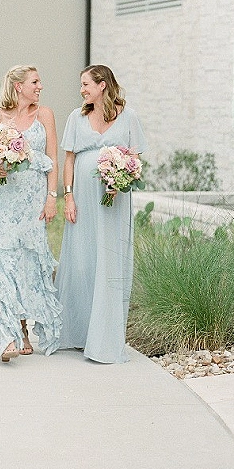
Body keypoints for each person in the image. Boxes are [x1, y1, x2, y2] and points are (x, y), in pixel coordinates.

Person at [56, 64, 147, 364]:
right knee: (82, 261)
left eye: (86, 84)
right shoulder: (76, 116)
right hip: (83, 199)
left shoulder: (128, 116)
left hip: (114, 201)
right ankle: (79, 332)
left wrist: (121, 180)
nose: (81, 90)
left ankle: (104, 339)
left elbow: (135, 158)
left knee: (109, 260)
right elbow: (69, 159)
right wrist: (68, 195)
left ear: (102, 85)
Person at [0, 65, 62, 362]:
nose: (40, 87)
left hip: (35, 199)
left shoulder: (45, 115)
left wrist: (52, 197)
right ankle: (9, 333)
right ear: (18, 86)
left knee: (30, 261)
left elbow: (53, 159)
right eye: (35, 82)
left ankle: (25, 325)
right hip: (6, 198)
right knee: (7, 261)